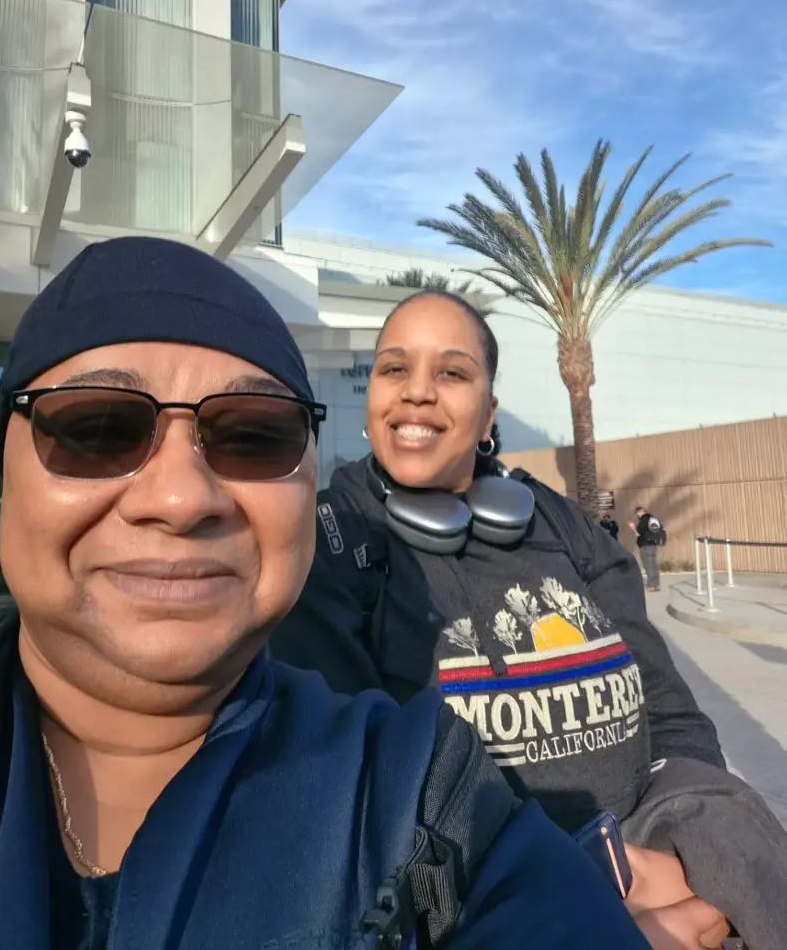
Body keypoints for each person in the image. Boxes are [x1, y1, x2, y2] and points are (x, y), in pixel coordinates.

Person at [0, 237, 657, 950]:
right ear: (4, 472)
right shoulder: (347, 558)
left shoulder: (425, 792)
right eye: (97, 428)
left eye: (254, 435)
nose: (179, 496)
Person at [271, 287, 787, 950]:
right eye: (394, 367)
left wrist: (693, 859)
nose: (417, 391)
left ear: (488, 414)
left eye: (451, 372)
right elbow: (356, 796)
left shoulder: (570, 531)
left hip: (664, 857)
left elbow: (677, 721)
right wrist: (593, 895)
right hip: (493, 905)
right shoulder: (330, 547)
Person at [630, 506, 665, 592]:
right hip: (653, 545)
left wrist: (633, 527)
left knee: (648, 566)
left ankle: (651, 585)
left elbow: (638, 534)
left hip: (645, 546)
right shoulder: (654, 519)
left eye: (637, 514)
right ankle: (657, 585)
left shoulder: (644, 520)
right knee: (654, 565)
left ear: (639, 512)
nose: (637, 515)